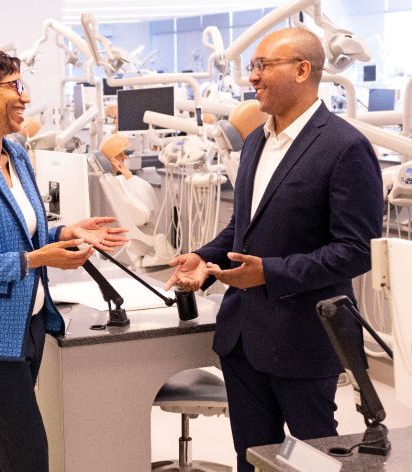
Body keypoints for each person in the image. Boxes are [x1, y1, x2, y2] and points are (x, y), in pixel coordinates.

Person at [164, 28, 383, 471]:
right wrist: (205, 259)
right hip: (243, 339)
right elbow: (242, 231)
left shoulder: (345, 147)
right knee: (252, 459)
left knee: (313, 461)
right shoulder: (256, 143)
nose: (253, 78)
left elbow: (355, 250)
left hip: (303, 339)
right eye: (253, 67)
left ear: (303, 70)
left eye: (263, 66)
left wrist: (271, 273)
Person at [0, 50, 127, 472]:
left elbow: (17, 235)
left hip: (22, 328)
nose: (25, 97)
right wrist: (36, 258)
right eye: (15, 86)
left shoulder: (15, 156)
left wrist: (65, 233)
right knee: (28, 457)